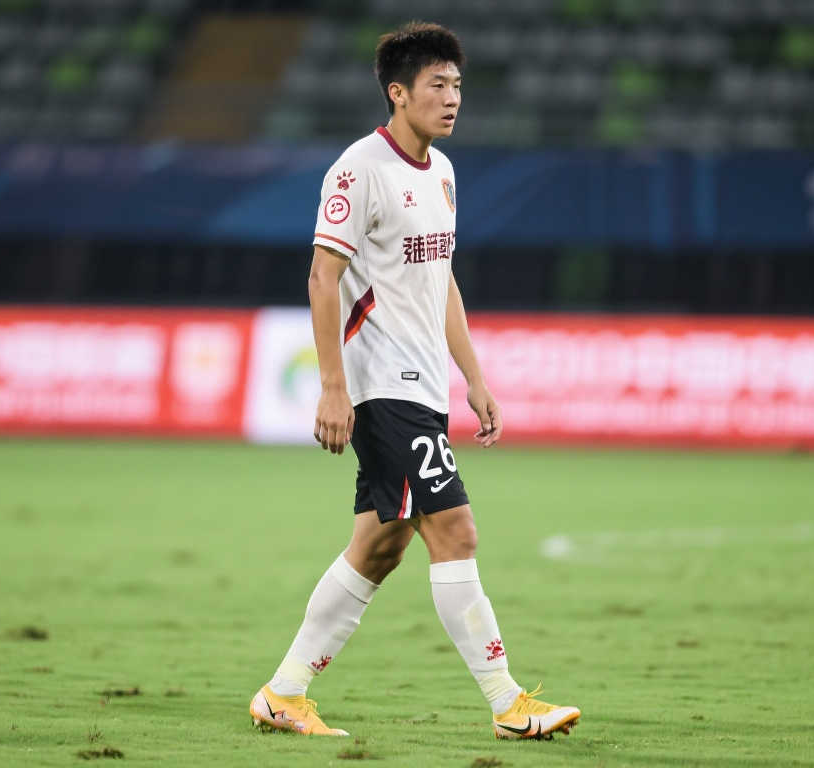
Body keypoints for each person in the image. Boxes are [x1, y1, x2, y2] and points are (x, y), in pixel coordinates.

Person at [250, 21, 580, 741]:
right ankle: (508, 702)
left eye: (458, 85)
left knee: (380, 545)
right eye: (437, 84)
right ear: (398, 93)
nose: (452, 97)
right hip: (383, 385)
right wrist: (332, 387)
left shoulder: (444, 173)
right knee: (455, 530)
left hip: (424, 384)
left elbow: (441, 280)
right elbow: (323, 277)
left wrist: (474, 378)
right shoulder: (358, 169)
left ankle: (284, 693)